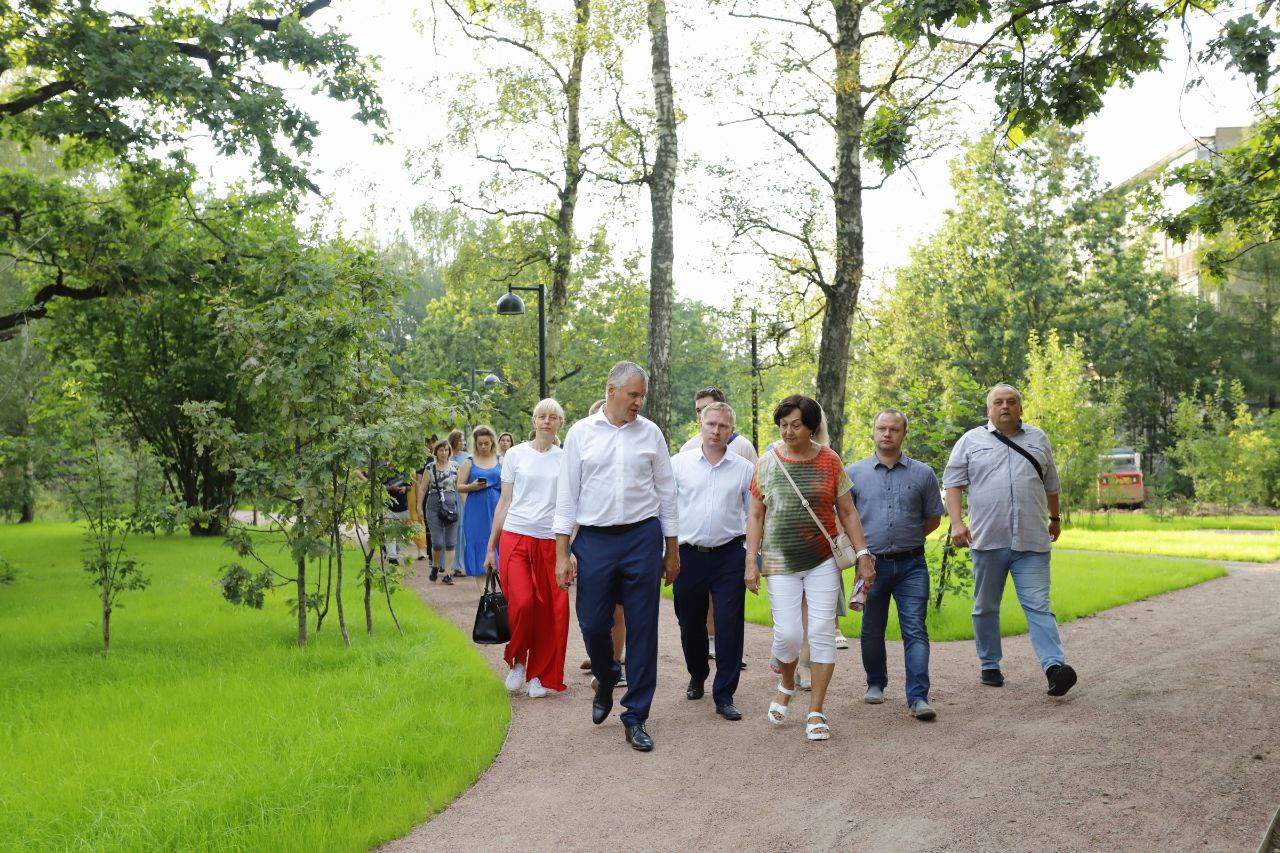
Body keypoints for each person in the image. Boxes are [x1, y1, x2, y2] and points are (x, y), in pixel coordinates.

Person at [554, 362, 678, 752]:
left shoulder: (651, 434)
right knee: (592, 623)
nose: (638, 403)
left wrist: (671, 550)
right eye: (633, 395)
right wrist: (561, 553)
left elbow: (668, 493)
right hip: (594, 540)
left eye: (642, 396)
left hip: (642, 536)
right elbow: (566, 497)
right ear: (611, 390)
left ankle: (635, 715)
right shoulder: (580, 433)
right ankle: (607, 675)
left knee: (643, 628)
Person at [745, 394, 875, 741]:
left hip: (822, 561)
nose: (787, 431)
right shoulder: (767, 462)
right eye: (783, 425)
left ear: (812, 428)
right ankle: (786, 683)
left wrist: (863, 555)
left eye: (795, 425)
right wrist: (750, 561)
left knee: (820, 633)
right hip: (780, 561)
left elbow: (847, 512)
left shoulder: (830, 461)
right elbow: (756, 514)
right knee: (787, 635)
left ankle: (816, 710)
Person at [943, 383, 1078, 697]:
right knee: (986, 606)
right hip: (988, 540)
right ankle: (989, 663)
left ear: (1020, 407)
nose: (1005, 407)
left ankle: (1054, 668)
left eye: (1012, 402)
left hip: (1032, 540)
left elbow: (1052, 485)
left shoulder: (1038, 438)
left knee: (1039, 607)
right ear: (989, 410)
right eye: (999, 402)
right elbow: (952, 484)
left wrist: (1055, 519)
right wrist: (956, 524)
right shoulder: (970, 441)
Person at [846, 409, 945, 721]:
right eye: (881, 428)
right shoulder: (854, 474)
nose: (887, 434)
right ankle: (875, 682)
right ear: (873, 432)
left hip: (911, 565)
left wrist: (907, 538)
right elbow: (846, 519)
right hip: (870, 565)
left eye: (894, 429)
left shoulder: (923, 474)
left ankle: (918, 697)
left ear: (904, 434)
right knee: (872, 628)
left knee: (915, 629)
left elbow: (933, 518)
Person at [670, 401, 753, 721]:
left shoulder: (744, 468)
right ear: (701, 426)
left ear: (731, 431)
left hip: (729, 554)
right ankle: (697, 672)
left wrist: (750, 556)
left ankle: (725, 693)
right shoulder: (679, 464)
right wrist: (668, 552)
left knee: (730, 625)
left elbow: (754, 516)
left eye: (723, 427)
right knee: (689, 623)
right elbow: (667, 510)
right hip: (688, 555)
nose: (716, 431)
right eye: (711, 425)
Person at [485, 400, 569, 698]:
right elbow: (504, 502)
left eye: (553, 417)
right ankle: (518, 662)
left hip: (550, 540)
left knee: (549, 609)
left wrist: (568, 550)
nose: (547, 421)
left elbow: (573, 507)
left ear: (560, 423)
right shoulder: (516, 454)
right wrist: (491, 546)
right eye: (542, 416)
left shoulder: (566, 458)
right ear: (534, 421)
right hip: (516, 536)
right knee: (521, 603)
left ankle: (539, 674)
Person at [459, 426, 502, 592]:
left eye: (486, 443)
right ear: (475, 444)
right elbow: (459, 486)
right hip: (476, 509)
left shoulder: (501, 460)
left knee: (498, 541)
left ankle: (499, 590)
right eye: (480, 444)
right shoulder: (469, 462)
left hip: (497, 506)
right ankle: (484, 593)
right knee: (478, 543)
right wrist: (472, 486)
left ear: (492, 442)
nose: (483, 447)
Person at [679, 386, 759, 463]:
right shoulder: (688, 448)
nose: (701, 414)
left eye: (707, 408)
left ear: (722, 407)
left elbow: (755, 476)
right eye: (698, 410)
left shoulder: (743, 446)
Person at [422, 439, 459, 585]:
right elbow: (423, 488)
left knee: (450, 542)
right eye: (441, 450)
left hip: (450, 502)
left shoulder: (456, 467)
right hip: (433, 503)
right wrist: (419, 506)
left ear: (449, 451)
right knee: (437, 542)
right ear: (435, 451)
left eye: (446, 450)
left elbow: (460, 486)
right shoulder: (430, 467)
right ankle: (436, 566)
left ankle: (448, 573)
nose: (444, 452)